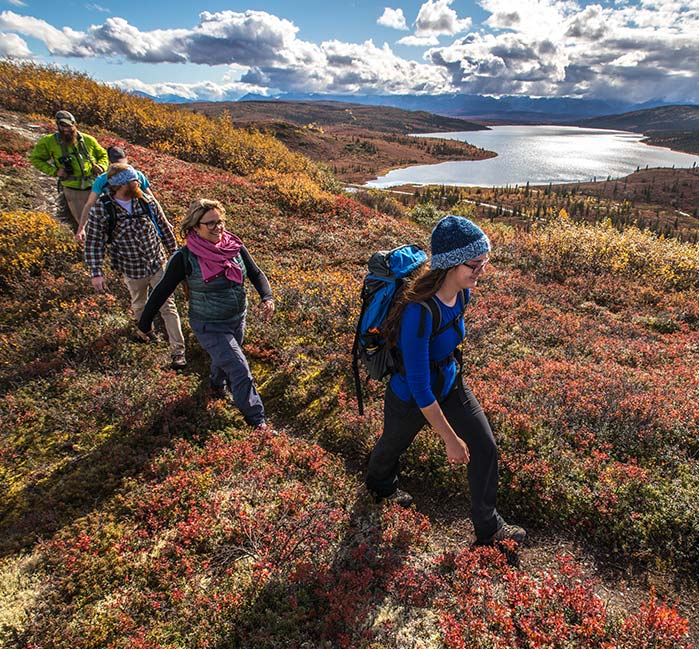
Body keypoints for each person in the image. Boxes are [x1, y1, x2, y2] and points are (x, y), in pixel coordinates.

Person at [365, 215, 526, 547]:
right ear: (451, 264)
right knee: (391, 447)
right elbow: (420, 386)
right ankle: (380, 485)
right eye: (475, 263)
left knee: (485, 446)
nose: (482, 269)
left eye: (485, 261)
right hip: (412, 396)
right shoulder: (418, 312)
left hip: (450, 383)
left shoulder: (463, 294)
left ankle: (489, 528)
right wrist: (450, 440)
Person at [136, 199, 275, 430]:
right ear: (195, 227)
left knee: (226, 360)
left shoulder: (235, 247)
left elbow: (256, 273)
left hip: (237, 318)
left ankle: (215, 385)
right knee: (239, 369)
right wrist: (145, 322)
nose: (218, 227)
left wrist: (267, 297)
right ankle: (257, 421)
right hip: (209, 324)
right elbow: (161, 291)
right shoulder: (185, 257)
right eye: (210, 223)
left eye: (220, 221)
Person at [84, 163, 186, 369]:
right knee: (140, 303)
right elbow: (94, 242)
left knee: (168, 305)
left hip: (157, 263)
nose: (138, 182)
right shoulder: (103, 210)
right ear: (120, 185)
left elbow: (164, 228)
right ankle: (147, 333)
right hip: (131, 268)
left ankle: (178, 352)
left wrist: (175, 254)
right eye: (133, 180)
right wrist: (96, 273)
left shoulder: (146, 202)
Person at [29, 110, 108, 226]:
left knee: (100, 220)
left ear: (74, 124)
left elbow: (103, 155)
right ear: (58, 125)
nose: (66, 129)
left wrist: (101, 166)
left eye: (69, 125)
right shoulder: (49, 142)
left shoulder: (88, 140)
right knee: (80, 222)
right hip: (71, 189)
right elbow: (35, 159)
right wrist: (54, 171)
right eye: (62, 125)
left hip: (93, 187)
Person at [76, 146, 155, 243]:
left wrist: (165, 222)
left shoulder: (137, 175)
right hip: (117, 226)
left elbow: (152, 200)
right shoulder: (102, 180)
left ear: (127, 159)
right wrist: (81, 228)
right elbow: (89, 204)